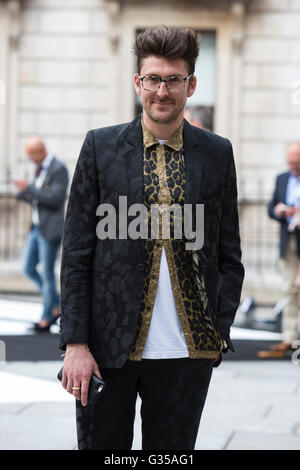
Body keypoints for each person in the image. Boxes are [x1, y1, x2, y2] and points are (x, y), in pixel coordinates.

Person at [59, 25, 244, 450]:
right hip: (106, 350)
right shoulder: (100, 148)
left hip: (188, 351)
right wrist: (75, 344)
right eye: (153, 79)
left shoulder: (217, 153)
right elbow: (77, 253)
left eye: (174, 79)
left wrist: (218, 331)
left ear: (191, 84)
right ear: (137, 82)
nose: (162, 90)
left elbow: (227, 252)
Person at [13, 136, 69, 332]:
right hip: (36, 228)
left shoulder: (58, 169)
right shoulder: (40, 170)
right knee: (28, 268)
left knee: (47, 273)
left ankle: (47, 316)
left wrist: (29, 189)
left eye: (31, 154)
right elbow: (39, 199)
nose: (29, 158)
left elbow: (54, 199)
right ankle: (56, 305)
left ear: (40, 151)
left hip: (50, 229)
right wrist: (24, 194)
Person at [257, 142, 300, 358]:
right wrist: (279, 211)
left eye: (297, 162)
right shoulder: (282, 178)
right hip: (289, 240)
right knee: (289, 289)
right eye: (290, 162)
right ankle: (290, 338)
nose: (293, 166)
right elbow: (271, 207)